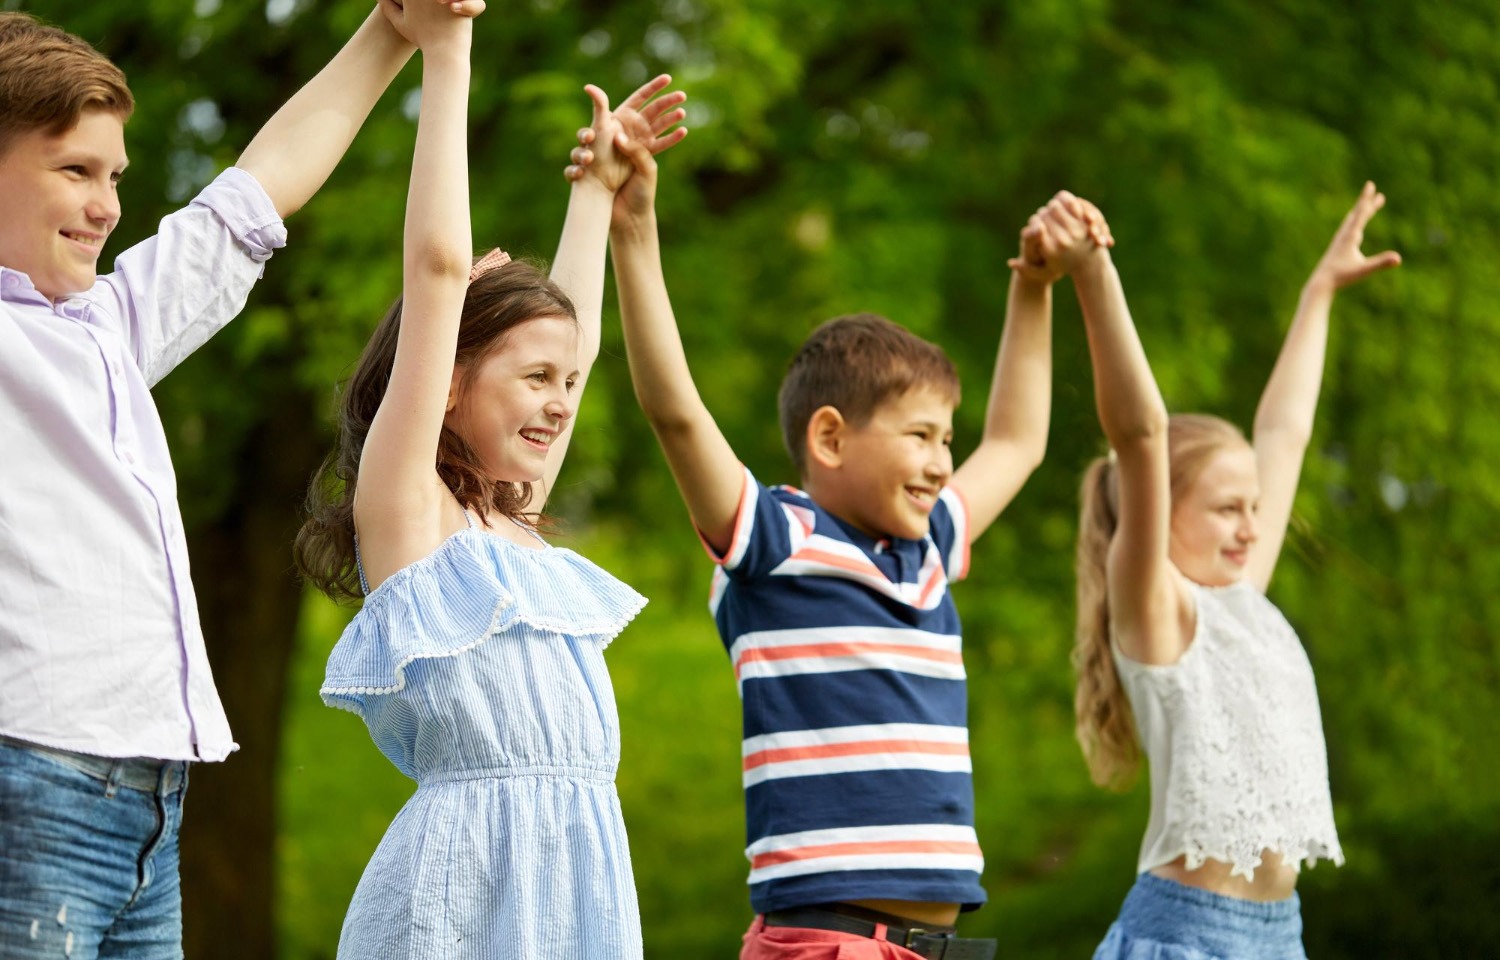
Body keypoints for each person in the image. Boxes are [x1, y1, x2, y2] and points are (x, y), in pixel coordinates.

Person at [0, 2, 483, 956]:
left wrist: (394, 27)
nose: (107, 205)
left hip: (152, 796)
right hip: (31, 781)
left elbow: (256, 191)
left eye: (115, 176)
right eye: (74, 171)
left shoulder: (106, 324)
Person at [594, 110, 1107, 954]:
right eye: (919, 436)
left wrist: (1033, 286)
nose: (944, 462)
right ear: (830, 438)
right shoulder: (776, 538)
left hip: (930, 945)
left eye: (947, 439)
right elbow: (676, 414)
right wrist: (636, 231)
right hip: (828, 940)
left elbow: (1017, 441)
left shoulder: (930, 546)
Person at [289, 0, 688, 946]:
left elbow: (573, 337)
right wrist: (448, 48)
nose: (561, 402)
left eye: (571, 383)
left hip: (577, 880)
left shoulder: (514, 525)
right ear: (451, 382)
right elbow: (434, 269)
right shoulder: (411, 511)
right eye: (535, 380)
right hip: (463, 893)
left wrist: (595, 192)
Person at [1061, 184, 1400, 958]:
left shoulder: (1240, 599)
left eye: (1255, 507)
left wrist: (1318, 293)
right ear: (1160, 513)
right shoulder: (1158, 610)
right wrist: (1092, 272)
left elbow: (1284, 430)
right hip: (1188, 937)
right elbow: (1141, 433)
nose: (1252, 526)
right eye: (1225, 509)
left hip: (1281, 938)